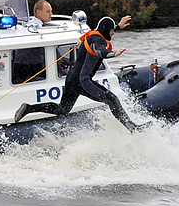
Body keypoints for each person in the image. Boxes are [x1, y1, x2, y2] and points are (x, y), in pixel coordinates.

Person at [14, 15, 148, 133]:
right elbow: (100, 50)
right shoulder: (99, 41)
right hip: (82, 81)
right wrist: (114, 54)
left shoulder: (93, 34)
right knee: (112, 99)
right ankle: (132, 128)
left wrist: (117, 26)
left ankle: (29, 108)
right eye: (112, 31)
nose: (113, 34)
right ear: (106, 30)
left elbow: (103, 34)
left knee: (63, 109)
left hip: (71, 78)